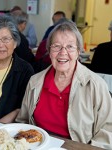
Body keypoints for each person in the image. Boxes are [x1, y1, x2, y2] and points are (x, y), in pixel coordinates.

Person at [16, 19, 112, 149]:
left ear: (78, 51)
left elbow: (108, 131)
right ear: (49, 51)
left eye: (70, 46)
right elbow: (23, 121)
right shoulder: (35, 81)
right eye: (56, 46)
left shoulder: (96, 85)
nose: (63, 52)